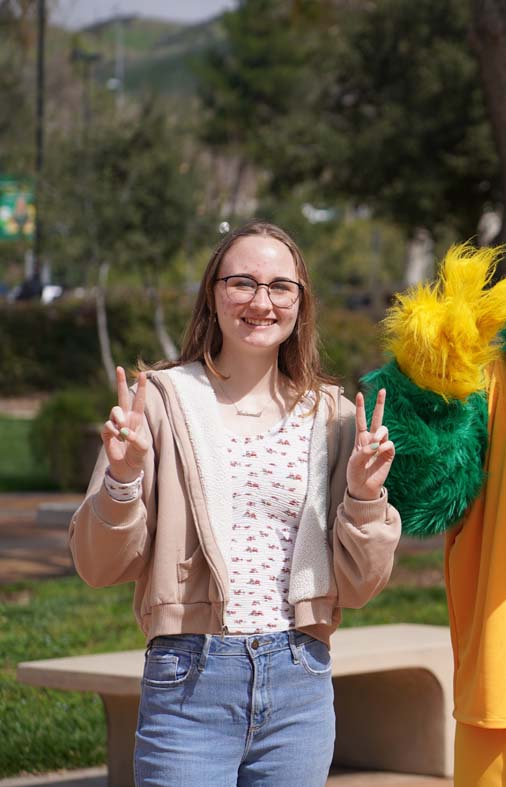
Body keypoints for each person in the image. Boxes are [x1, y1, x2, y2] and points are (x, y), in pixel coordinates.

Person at [69, 220, 402, 786]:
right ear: (213, 293)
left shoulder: (336, 418)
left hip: (300, 680)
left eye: (280, 286)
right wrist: (123, 479)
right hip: (189, 682)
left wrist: (366, 500)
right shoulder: (159, 404)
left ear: (301, 302)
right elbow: (98, 567)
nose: (261, 301)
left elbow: (364, 586)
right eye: (242, 282)